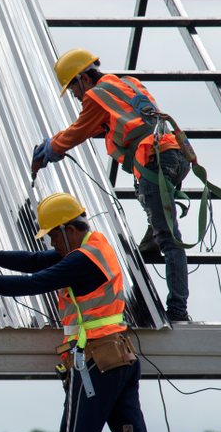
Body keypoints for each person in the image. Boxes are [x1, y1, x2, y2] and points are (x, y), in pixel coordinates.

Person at [0, 193, 167, 432]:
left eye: (53, 234)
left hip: (96, 362)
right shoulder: (94, 247)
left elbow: (32, 282)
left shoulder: (81, 260)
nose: (51, 242)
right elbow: (34, 261)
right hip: (118, 358)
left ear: (69, 229)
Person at [31, 48, 191, 322]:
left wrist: (52, 148)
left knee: (170, 240)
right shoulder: (125, 83)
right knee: (159, 223)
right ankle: (152, 236)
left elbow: (80, 130)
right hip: (176, 155)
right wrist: (55, 141)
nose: (77, 96)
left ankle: (177, 310)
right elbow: (95, 125)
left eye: (74, 89)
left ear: (83, 78)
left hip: (154, 162)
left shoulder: (95, 96)